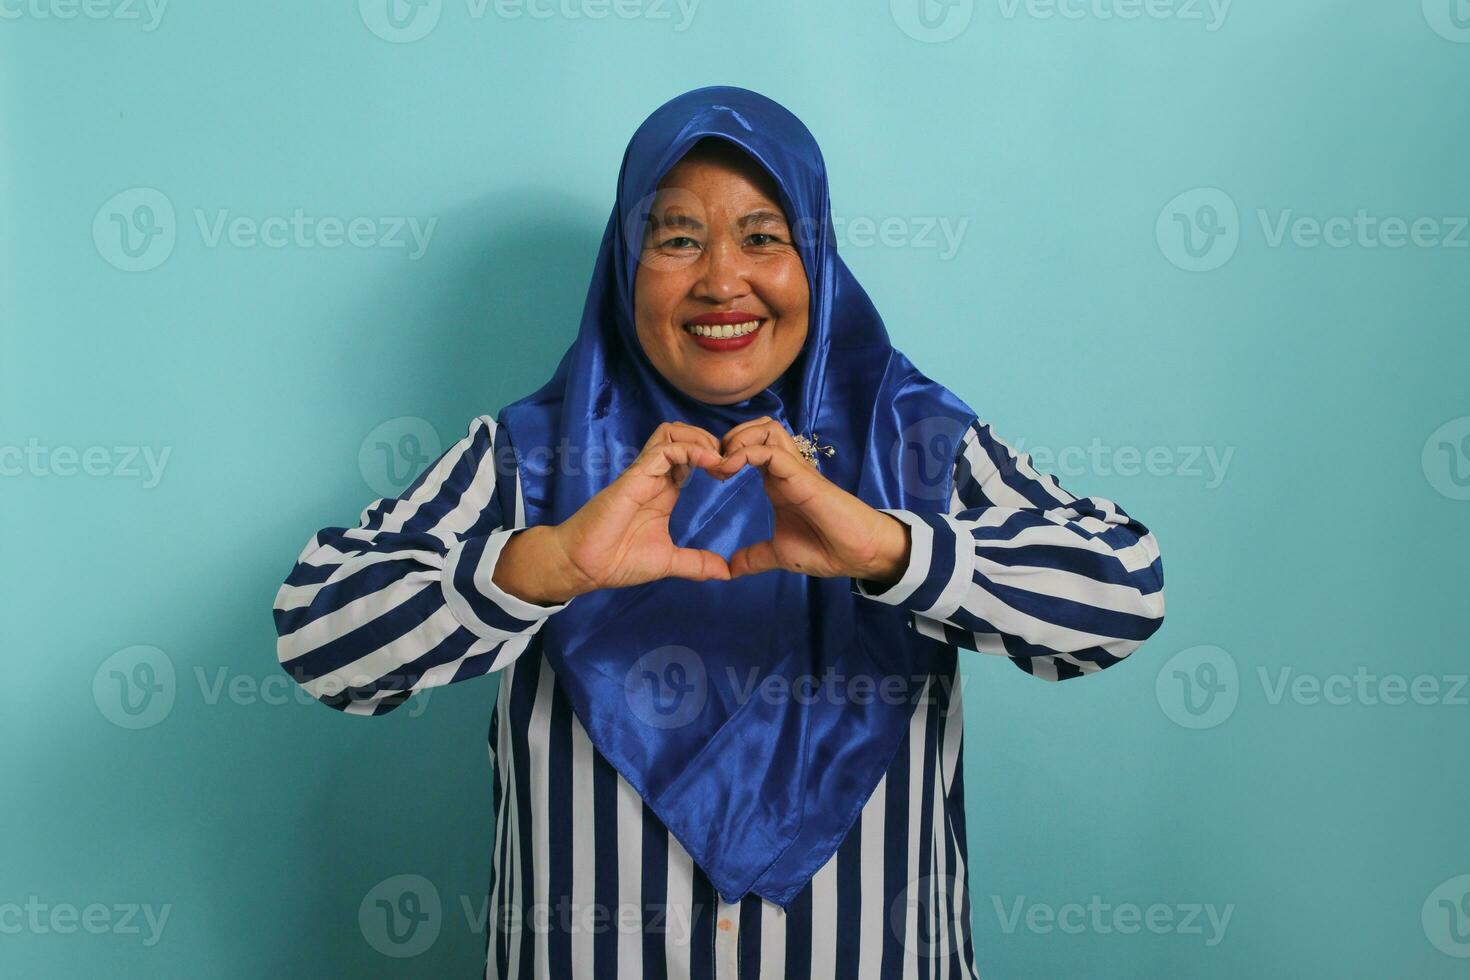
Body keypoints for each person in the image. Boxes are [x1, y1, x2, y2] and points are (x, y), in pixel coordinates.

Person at [272, 86, 1166, 979]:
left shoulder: (914, 438)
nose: (721, 281)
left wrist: (892, 552)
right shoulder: (534, 453)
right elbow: (317, 636)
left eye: (764, 237)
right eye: (677, 238)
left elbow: (1124, 593)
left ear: (815, 253)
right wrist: (545, 565)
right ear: (626, 263)